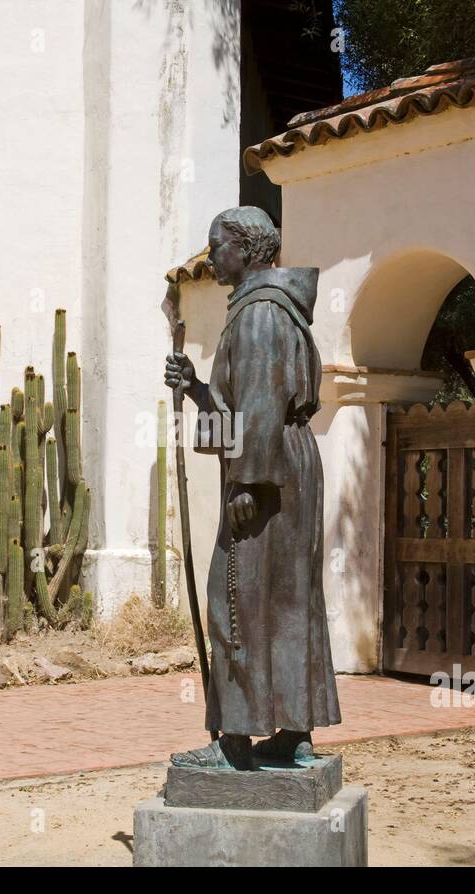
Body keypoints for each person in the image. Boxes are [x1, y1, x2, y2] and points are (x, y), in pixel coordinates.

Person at [164, 206, 341, 771]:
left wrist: (248, 483)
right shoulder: (265, 309)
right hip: (282, 463)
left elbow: (261, 407)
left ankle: (237, 738)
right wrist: (195, 388)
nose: (211, 254)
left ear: (247, 248)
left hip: (268, 472)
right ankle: (294, 731)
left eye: (217, 245)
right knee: (285, 599)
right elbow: (243, 410)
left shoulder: (261, 313)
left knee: (234, 596)